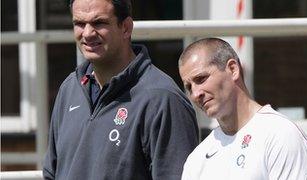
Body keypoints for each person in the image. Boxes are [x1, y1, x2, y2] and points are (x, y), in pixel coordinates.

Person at [42, 0, 199, 179]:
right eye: (79, 23)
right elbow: (51, 173)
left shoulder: (163, 99)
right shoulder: (69, 89)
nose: (87, 33)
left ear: (126, 27)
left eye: (98, 23)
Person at [178, 37, 307, 179]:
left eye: (201, 79)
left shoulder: (280, 135)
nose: (196, 94)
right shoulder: (197, 159)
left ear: (233, 69)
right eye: (189, 87)